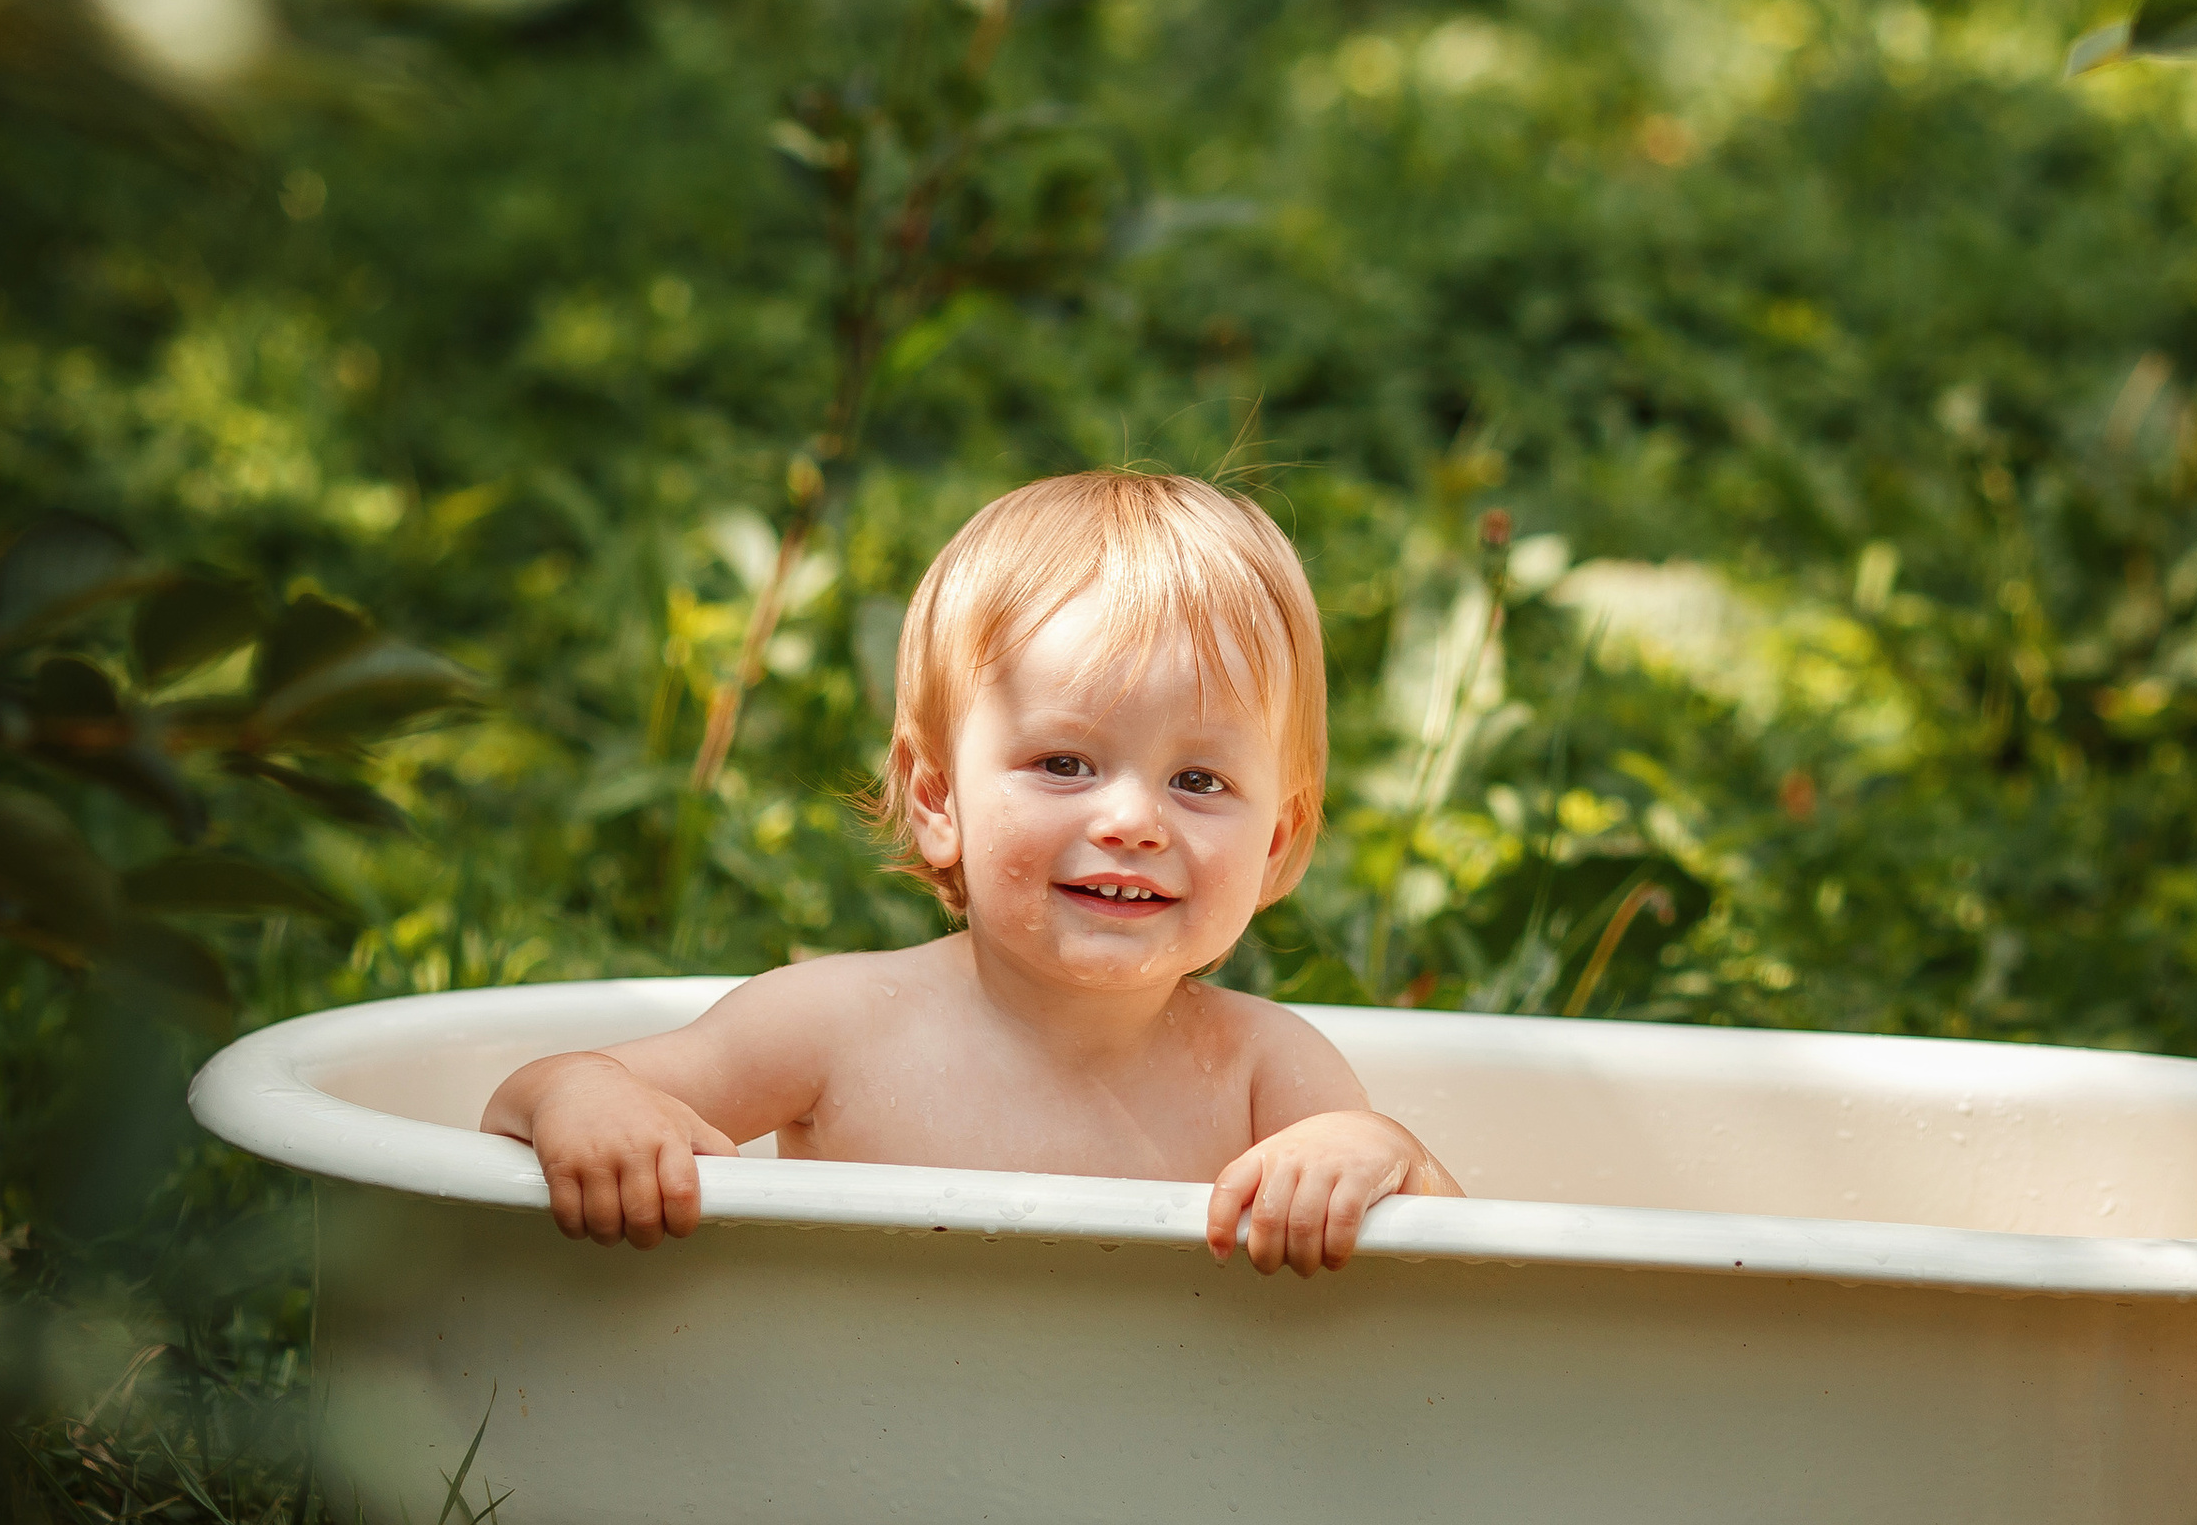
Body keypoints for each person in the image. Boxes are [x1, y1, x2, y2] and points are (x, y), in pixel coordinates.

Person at [482, 471, 1462, 1273]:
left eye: (1198, 779)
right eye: (1064, 763)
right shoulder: (832, 1030)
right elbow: (543, 1089)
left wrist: (1387, 1159)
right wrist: (586, 1102)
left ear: (1280, 842)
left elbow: (1470, 1269)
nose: (1130, 820)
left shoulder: (1264, 1072)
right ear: (938, 798)